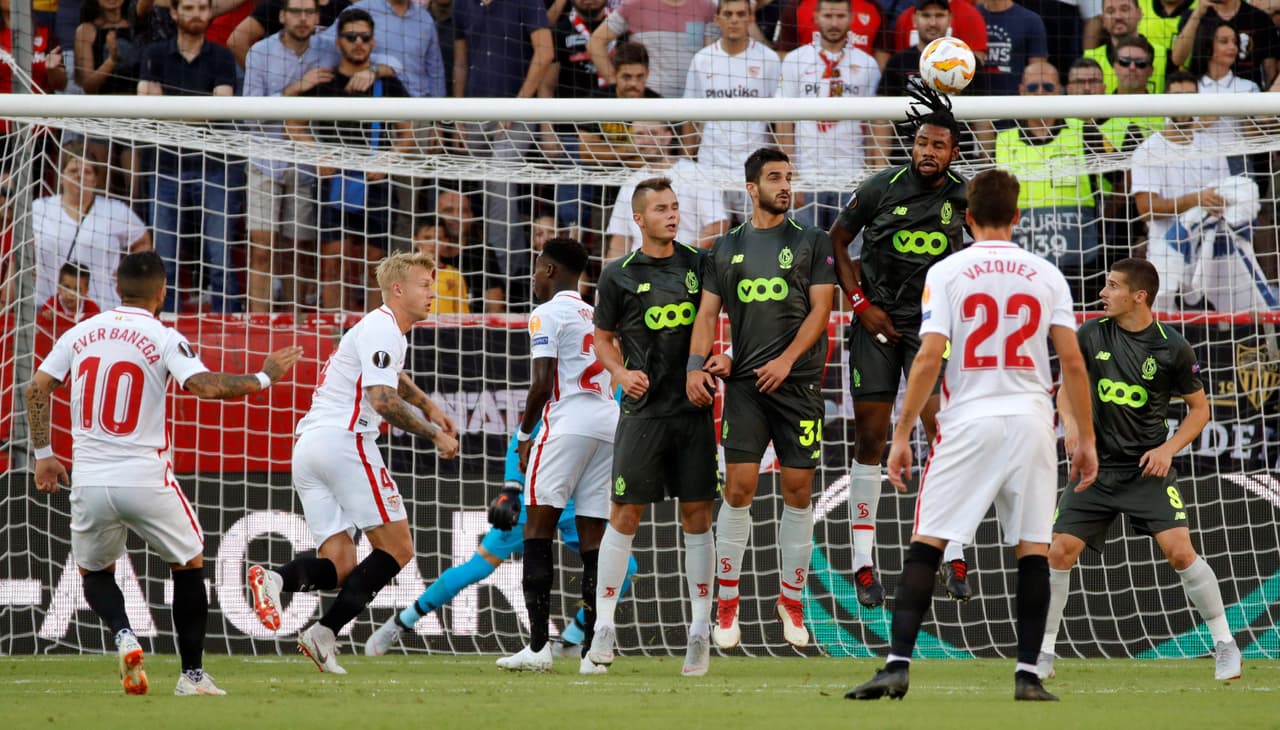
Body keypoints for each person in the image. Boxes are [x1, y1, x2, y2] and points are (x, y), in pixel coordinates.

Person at [845, 169, 1098, 703]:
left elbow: (928, 357)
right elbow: (1073, 363)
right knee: (1033, 550)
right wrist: (1087, 439)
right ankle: (1027, 675)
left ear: (967, 216)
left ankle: (896, 666)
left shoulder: (948, 271)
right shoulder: (1047, 275)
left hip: (968, 420)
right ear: (1017, 216)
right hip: (1031, 421)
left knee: (927, 543)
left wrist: (902, 432)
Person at [25, 250, 304, 696]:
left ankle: (123, 634)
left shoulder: (80, 333)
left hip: (89, 478)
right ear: (162, 291)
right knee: (188, 563)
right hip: (145, 476)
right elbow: (205, 386)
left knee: (94, 571)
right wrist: (264, 376)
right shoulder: (162, 335)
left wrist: (43, 453)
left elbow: (36, 389)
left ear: (116, 287)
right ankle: (191, 676)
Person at [247, 251, 460, 674]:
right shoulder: (384, 329)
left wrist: (428, 405)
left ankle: (276, 580)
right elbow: (382, 400)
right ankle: (324, 633)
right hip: (345, 443)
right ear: (397, 289)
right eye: (424, 285)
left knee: (341, 566)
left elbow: (391, 378)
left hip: (309, 448)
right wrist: (433, 433)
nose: (432, 293)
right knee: (398, 548)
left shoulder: (376, 328)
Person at [1037, 257, 1241, 683]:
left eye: (1112, 286)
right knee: (1058, 551)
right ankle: (1043, 652)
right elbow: (1065, 391)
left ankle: (1225, 645)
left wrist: (1168, 449)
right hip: (1096, 469)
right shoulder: (1091, 333)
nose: (1103, 292)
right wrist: (1071, 426)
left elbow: (1200, 410)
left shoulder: (1172, 347)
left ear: (1139, 296)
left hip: (1146, 470)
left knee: (1180, 552)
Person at [686, 148, 836, 651]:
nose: (785, 185)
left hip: (798, 384)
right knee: (738, 489)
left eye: (788, 177)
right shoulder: (725, 248)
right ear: (751, 188)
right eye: (774, 178)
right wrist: (699, 364)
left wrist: (787, 361)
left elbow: (820, 312)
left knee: (798, 490)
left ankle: (790, 601)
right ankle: (728, 604)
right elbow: (707, 315)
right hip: (748, 385)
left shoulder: (812, 240)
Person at [828, 84, 970, 609]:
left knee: (942, 433)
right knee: (870, 437)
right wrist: (861, 304)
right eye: (922, 143)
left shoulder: (964, 197)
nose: (928, 152)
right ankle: (863, 564)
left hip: (931, 329)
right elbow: (837, 240)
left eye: (939, 145)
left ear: (954, 151)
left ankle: (954, 551)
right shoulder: (879, 187)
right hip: (876, 324)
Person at [587, 178, 720, 676]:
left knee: (697, 517)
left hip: (692, 410)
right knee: (624, 514)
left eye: (675, 207)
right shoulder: (616, 274)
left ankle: (699, 631)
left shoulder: (699, 263)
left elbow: (719, 317)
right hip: (642, 412)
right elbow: (602, 337)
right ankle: (603, 626)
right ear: (638, 219)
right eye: (661, 208)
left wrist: (718, 360)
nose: (672, 214)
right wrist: (620, 374)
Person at [365, 424, 637, 662]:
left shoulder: (617, 396)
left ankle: (570, 640)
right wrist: (512, 488)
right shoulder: (563, 391)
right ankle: (402, 622)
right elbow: (523, 435)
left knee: (625, 567)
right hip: (538, 497)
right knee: (478, 567)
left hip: (579, 502)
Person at [494, 238, 619, 672]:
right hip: (608, 423)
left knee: (537, 530)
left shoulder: (546, 313)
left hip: (567, 423)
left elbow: (542, 384)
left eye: (536, 268)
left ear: (549, 270)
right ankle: (592, 654)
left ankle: (537, 648)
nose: (533, 277)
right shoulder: (596, 314)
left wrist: (524, 435)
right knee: (593, 539)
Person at [286, 7, 415, 312]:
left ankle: (374, 330)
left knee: (376, 266)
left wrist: (387, 160)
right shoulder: (325, 81)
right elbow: (292, 124)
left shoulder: (388, 84)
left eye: (365, 37)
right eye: (351, 36)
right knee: (333, 261)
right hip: (333, 181)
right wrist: (317, 154)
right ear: (338, 41)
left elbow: (408, 134)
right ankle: (334, 331)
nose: (358, 43)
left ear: (373, 41)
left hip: (376, 181)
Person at [1132, 72, 1276, 312]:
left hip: (1210, 260)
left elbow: (1226, 195)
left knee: (1222, 329)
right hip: (1167, 262)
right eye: (1176, 97)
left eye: (1189, 96)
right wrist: (1196, 201)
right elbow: (1147, 209)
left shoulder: (1211, 146)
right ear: (1164, 101)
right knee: (1168, 330)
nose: (1183, 103)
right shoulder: (1148, 151)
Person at [137, 0, 239, 314]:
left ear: (210, 12)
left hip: (214, 167)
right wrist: (200, 109)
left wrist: (167, 108)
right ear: (174, 12)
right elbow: (145, 106)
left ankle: (228, 327)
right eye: (189, 7)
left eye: (202, 8)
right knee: (165, 260)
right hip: (165, 165)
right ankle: (164, 322)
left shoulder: (222, 55)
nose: (196, 14)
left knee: (219, 258)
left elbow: (220, 109)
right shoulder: (154, 53)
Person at [242, 0, 324, 313]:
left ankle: (294, 322)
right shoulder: (260, 52)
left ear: (317, 17)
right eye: (295, 12)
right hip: (265, 160)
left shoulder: (328, 49)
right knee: (261, 251)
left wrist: (377, 68)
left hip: (306, 164)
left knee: (297, 251)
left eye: (308, 12)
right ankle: (258, 324)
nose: (302, 19)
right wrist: (296, 88)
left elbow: (385, 58)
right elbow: (250, 116)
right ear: (282, 16)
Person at [776, 0, 880, 232]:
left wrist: (872, 178)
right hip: (806, 177)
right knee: (804, 252)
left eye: (840, 16)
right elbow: (783, 122)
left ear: (851, 18)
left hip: (852, 177)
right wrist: (791, 175)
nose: (834, 23)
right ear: (816, 17)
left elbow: (874, 125)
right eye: (828, 16)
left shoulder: (867, 64)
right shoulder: (795, 60)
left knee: (849, 252)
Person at [683, 0, 780, 223]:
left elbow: (780, 118)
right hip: (710, 167)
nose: (734, 20)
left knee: (759, 234)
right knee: (713, 235)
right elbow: (689, 116)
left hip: (755, 167)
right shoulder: (702, 60)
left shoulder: (768, 60)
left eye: (740, 14)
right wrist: (687, 163)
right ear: (717, 19)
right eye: (728, 14)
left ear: (750, 18)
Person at [31, 141, 151, 312]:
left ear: (95, 180)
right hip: (48, 309)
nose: (79, 176)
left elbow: (143, 241)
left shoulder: (114, 210)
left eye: (87, 172)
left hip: (102, 309)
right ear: (61, 176)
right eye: (73, 171)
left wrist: (127, 274)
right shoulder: (39, 208)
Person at [604, 121, 729, 260]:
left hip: (687, 266)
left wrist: (678, 261)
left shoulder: (696, 174)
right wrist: (611, 272)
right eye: (639, 134)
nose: (646, 140)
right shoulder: (629, 183)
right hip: (639, 269)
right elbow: (620, 239)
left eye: (653, 133)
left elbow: (717, 227)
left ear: (668, 136)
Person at [33, 262, 102, 467]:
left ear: (86, 291)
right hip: (57, 377)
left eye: (76, 289)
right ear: (58, 287)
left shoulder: (93, 311)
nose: (70, 294)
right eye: (66, 287)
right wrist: (46, 319)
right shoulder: (50, 307)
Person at [588, 0, 718, 99]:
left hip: (692, 104)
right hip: (648, 106)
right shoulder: (634, 4)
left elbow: (711, 58)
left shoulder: (707, 8)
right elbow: (595, 42)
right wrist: (615, 81)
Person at [1083, 0, 1169, 94]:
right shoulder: (1089, 58)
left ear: (1139, 13)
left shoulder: (1165, 56)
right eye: (1111, 11)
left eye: (1124, 10)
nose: (1118, 16)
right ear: (1103, 19)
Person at [977, 0, 1049, 97]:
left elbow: (1038, 71)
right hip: (976, 97)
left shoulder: (1031, 20)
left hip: (1015, 98)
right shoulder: (971, 15)